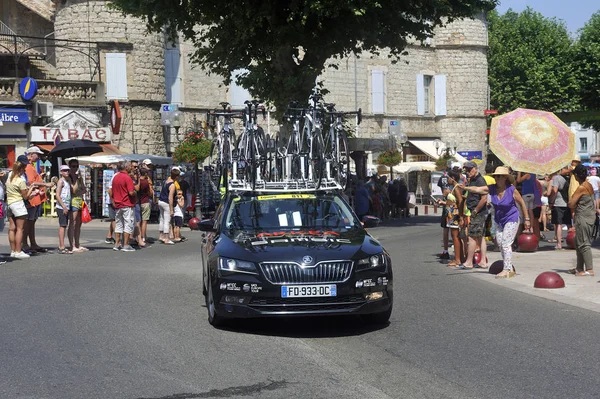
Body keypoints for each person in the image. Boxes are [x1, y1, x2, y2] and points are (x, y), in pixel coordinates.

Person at [464, 166, 529, 278]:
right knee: (500, 243)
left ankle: (507, 269)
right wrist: (465, 188)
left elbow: (522, 203)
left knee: (506, 243)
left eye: (499, 176)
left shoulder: (511, 189)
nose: (497, 178)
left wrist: (527, 219)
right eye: (496, 176)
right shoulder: (492, 188)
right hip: (499, 220)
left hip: (511, 219)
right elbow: (478, 189)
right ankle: (507, 266)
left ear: (505, 178)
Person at [458, 161, 488, 269]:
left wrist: (475, 211)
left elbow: (484, 198)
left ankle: (469, 262)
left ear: (475, 168)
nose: (468, 171)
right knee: (481, 237)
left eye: (470, 169)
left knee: (472, 236)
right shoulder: (473, 180)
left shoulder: (480, 180)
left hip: (479, 212)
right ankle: (483, 261)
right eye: (466, 169)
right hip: (478, 211)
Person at [6, 157, 38, 259]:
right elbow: (26, 197)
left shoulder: (10, 177)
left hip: (10, 203)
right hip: (18, 204)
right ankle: (18, 251)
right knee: (20, 229)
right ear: (20, 169)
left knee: (12, 228)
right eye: (23, 169)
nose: (25, 171)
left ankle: (13, 250)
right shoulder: (20, 180)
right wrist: (32, 190)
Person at [23, 146, 53, 253]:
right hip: (32, 199)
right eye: (38, 154)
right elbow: (31, 183)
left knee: (31, 222)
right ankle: (25, 244)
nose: (39, 157)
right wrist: (46, 183)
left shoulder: (31, 166)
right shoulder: (28, 167)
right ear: (31, 155)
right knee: (29, 222)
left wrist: (40, 176)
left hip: (35, 198)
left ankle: (32, 243)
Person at [567, 164, 596, 276]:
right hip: (589, 216)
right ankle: (579, 268)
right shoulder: (589, 185)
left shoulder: (581, 188)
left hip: (583, 217)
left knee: (584, 244)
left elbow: (571, 203)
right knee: (579, 242)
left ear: (577, 176)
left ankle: (589, 269)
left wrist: (571, 195)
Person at [111, 161, 136, 252]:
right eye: (129, 166)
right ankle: (125, 244)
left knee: (119, 224)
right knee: (128, 224)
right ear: (126, 167)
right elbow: (131, 192)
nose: (130, 167)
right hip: (127, 203)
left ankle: (117, 243)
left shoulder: (115, 177)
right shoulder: (127, 177)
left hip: (118, 204)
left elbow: (111, 191)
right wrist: (135, 193)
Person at [546, 165, 571, 250]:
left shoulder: (557, 178)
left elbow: (555, 191)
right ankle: (571, 242)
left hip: (558, 203)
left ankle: (559, 243)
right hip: (567, 203)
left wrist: (551, 201)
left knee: (558, 224)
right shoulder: (568, 178)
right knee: (568, 224)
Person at [68, 159, 88, 252]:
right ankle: (72, 245)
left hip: (80, 201)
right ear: (69, 167)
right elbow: (74, 190)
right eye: (73, 166)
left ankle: (77, 243)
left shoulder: (79, 178)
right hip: (73, 202)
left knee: (79, 224)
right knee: (73, 223)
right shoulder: (69, 178)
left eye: (76, 166)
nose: (75, 168)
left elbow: (84, 189)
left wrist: (79, 179)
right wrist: (75, 180)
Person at [158, 167, 180, 244]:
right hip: (166, 203)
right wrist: (171, 209)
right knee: (167, 221)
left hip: (160, 201)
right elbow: (170, 198)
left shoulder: (166, 181)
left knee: (161, 219)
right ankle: (166, 238)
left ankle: (161, 236)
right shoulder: (172, 185)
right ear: (176, 176)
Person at [55, 165, 73, 254]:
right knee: (62, 225)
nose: (67, 172)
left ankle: (62, 246)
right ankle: (61, 246)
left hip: (67, 205)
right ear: (61, 172)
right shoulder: (61, 181)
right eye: (64, 170)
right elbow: (57, 195)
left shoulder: (67, 181)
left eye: (68, 170)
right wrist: (63, 206)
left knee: (65, 225)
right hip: (62, 207)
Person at [139, 167, 154, 243]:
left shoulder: (138, 181)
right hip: (145, 201)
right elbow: (150, 193)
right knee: (144, 221)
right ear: (145, 174)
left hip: (139, 202)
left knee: (139, 221)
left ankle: (138, 236)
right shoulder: (145, 182)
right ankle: (143, 236)